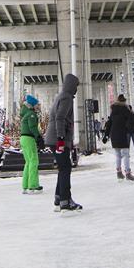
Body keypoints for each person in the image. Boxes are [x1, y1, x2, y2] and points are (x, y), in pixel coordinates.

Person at [45, 73, 81, 212]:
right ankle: (65, 202)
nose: (76, 89)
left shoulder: (61, 96)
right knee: (66, 168)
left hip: (54, 139)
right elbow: (60, 117)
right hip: (58, 139)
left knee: (63, 168)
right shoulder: (66, 98)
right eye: (76, 86)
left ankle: (59, 198)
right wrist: (61, 138)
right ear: (71, 86)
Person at [104, 94, 134, 182]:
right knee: (126, 154)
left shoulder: (113, 110)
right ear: (124, 102)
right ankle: (128, 174)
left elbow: (109, 123)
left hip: (114, 135)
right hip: (122, 134)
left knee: (118, 154)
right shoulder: (125, 109)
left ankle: (119, 173)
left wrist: (106, 135)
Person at [19, 95, 43, 193]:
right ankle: (33, 186)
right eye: (37, 105)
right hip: (29, 138)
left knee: (28, 162)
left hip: (23, 138)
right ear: (32, 105)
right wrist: (38, 137)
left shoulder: (26, 114)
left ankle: (25, 186)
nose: (38, 106)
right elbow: (32, 127)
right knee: (34, 161)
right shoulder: (31, 114)